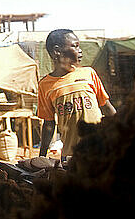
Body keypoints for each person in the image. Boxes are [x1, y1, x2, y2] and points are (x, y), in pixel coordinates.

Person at [38, 29, 116, 159]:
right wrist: (41, 156)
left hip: (100, 150)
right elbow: (49, 124)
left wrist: (126, 129)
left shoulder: (89, 74)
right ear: (57, 51)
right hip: (71, 156)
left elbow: (107, 107)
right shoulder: (45, 85)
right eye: (75, 46)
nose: (80, 51)